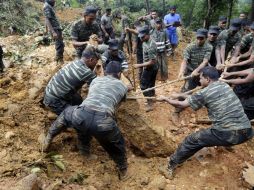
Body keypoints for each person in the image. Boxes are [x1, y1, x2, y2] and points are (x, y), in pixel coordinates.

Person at [157, 66, 253, 179]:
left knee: (192, 140)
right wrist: (179, 95)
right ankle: (228, 144)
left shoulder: (204, 92)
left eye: (201, 78)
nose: (199, 80)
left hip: (228, 134)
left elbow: (181, 104)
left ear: (207, 79)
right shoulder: (225, 86)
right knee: (218, 128)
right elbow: (200, 97)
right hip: (247, 131)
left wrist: (166, 99)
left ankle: (169, 166)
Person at [42, 61, 130, 180]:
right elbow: (119, 102)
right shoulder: (122, 86)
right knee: (117, 142)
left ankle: (50, 136)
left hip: (82, 115)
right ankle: (122, 168)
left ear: (105, 71)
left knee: (68, 114)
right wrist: (127, 88)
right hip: (103, 122)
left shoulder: (96, 80)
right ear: (119, 74)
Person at [43, 47, 100, 115]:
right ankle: (57, 117)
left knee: (78, 100)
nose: (96, 63)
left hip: (49, 93)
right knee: (76, 116)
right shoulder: (86, 72)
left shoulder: (75, 62)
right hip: (54, 101)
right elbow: (99, 86)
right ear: (91, 60)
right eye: (96, 61)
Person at [178, 29, 213, 93]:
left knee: (207, 90)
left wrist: (196, 70)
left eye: (201, 39)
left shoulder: (209, 47)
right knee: (187, 90)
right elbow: (184, 61)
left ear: (206, 38)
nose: (199, 41)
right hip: (190, 71)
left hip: (202, 71)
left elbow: (205, 61)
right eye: (198, 38)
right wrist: (181, 72)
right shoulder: (190, 47)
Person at [134, 26, 158, 112]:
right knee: (150, 85)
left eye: (143, 37)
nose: (141, 38)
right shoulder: (145, 41)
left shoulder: (151, 45)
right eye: (140, 37)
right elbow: (137, 32)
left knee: (143, 86)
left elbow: (152, 62)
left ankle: (150, 103)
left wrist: (139, 65)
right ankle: (152, 98)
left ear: (148, 35)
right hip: (150, 67)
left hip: (150, 68)